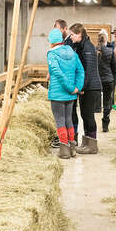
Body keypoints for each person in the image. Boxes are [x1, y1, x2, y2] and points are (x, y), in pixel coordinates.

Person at [47, 28, 85, 159]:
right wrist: (76, 88)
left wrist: (70, 87)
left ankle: (64, 150)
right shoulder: (72, 52)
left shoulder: (52, 54)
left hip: (58, 94)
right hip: (71, 94)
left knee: (60, 121)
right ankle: (72, 148)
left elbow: (57, 72)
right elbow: (80, 71)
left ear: (52, 41)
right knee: (69, 119)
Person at [68, 23, 102, 154]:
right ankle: (86, 143)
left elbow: (88, 71)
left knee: (88, 116)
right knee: (84, 114)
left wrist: (81, 87)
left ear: (80, 34)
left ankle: (92, 145)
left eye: (73, 35)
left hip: (91, 87)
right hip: (86, 87)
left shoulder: (88, 48)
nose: (70, 37)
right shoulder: (81, 45)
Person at [96, 30, 116, 132]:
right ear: (106, 40)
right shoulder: (110, 51)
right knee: (107, 102)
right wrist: (114, 80)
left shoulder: (93, 51)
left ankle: (92, 126)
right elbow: (114, 68)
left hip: (96, 80)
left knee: (94, 103)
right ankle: (105, 124)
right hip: (108, 80)